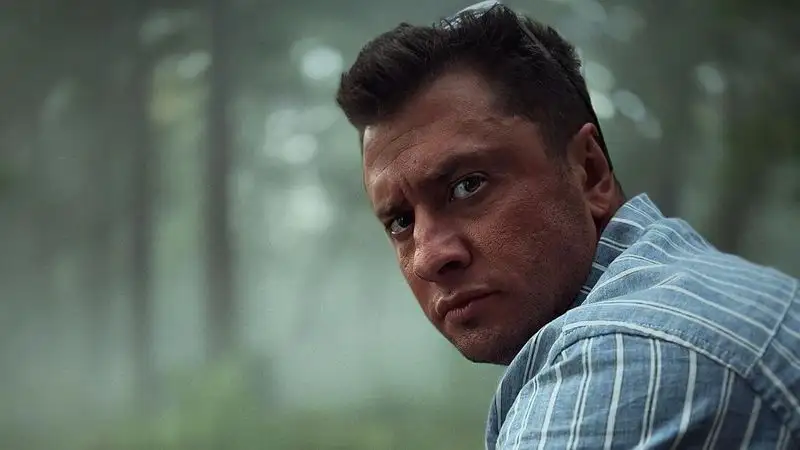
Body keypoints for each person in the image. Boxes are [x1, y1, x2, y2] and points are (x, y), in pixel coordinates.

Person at [334, 1, 800, 448]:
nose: (429, 256)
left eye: (468, 185)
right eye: (401, 221)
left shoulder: (627, 356)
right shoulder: (686, 295)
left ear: (590, 172)